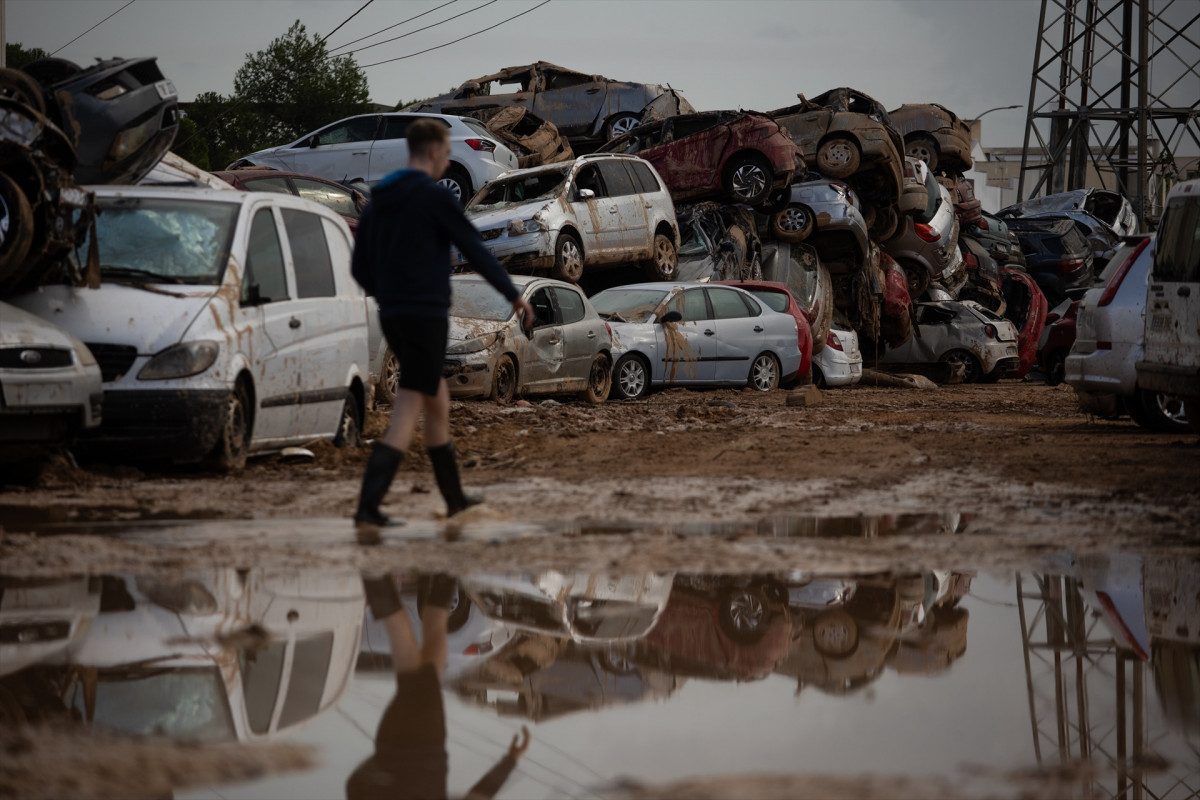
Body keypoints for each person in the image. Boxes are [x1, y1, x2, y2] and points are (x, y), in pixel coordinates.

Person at [351, 118, 534, 530]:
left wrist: (389, 292)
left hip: (393, 314)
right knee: (408, 409)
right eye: (447, 151)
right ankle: (367, 506)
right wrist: (515, 295)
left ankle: (454, 500)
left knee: (438, 403)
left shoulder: (379, 201)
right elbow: (477, 251)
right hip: (427, 315)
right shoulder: (435, 199)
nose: (448, 159)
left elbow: (359, 266)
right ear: (433, 152)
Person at [349, 574, 531, 800]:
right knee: (422, 668)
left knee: (422, 655)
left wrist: (510, 762)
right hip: (390, 747)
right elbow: (355, 789)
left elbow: (475, 798)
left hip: (423, 748)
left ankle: (384, 576)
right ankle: (435, 574)